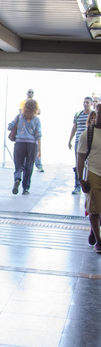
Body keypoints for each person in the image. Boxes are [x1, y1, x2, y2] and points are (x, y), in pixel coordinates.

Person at [77, 102, 101, 253]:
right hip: (93, 173)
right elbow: (80, 157)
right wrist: (81, 178)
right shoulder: (88, 134)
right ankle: (99, 241)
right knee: (94, 210)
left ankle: (94, 230)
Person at [8, 99, 42, 196]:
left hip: (19, 144)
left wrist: (19, 128)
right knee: (29, 166)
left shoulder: (19, 117)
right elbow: (38, 135)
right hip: (32, 145)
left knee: (18, 165)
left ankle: (17, 179)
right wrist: (39, 150)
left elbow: (10, 127)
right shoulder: (36, 119)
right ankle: (25, 188)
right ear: (35, 108)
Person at [68, 97, 92, 194]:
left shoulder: (93, 115)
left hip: (90, 142)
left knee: (90, 164)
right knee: (78, 164)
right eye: (84, 102)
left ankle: (89, 185)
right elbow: (74, 128)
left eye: (87, 102)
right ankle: (77, 185)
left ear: (91, 104)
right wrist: (70, 140)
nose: (85, 104)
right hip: (79, 142)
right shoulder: (78, 114)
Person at [19, 89, 44, 172]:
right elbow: (20, 112)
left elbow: (39, 112)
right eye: (29, 92)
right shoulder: (23, 102)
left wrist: (31, 113)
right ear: (26, 93)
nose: (31, 93)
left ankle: (39, 165)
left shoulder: (35, 102)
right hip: (24, 128)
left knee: (36, 146)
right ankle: (23, 167)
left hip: (33, 127)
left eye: (32, 92)